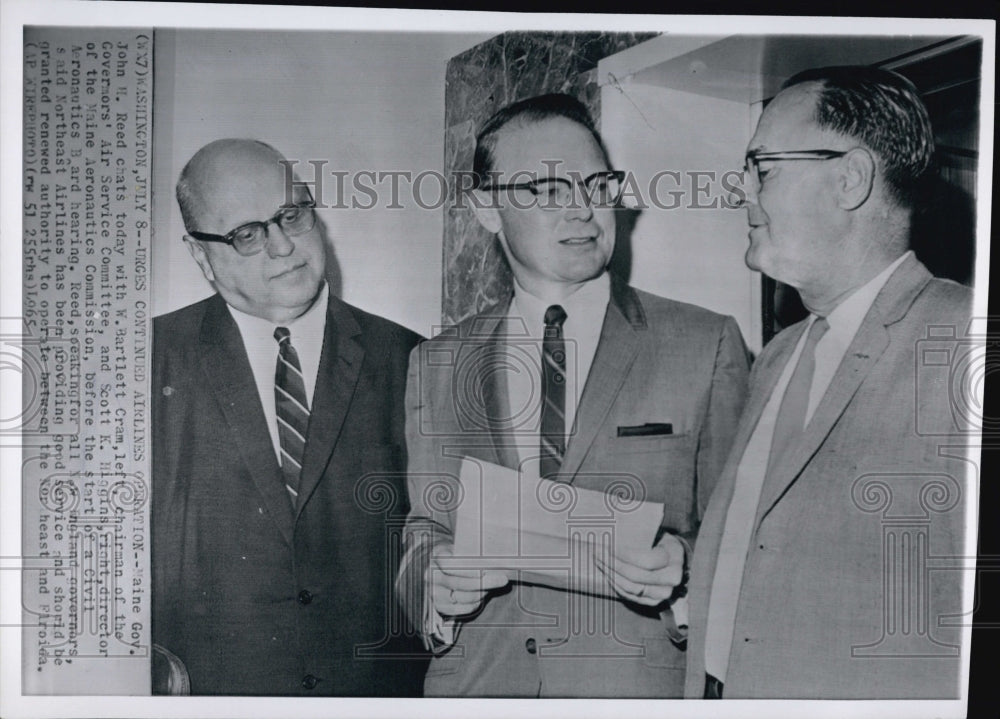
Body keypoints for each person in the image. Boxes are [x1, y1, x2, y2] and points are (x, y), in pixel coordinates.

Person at [397, 94, 750, 697]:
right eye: (549, 190)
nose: (584, 211)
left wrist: (683, 570)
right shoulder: (437, 361)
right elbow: (425, 525)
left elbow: (744, 535)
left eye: (596, 185)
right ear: (487, 209)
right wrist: (432, 582)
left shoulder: (705, 342)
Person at [685, 66, 973, 699]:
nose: (741, 191)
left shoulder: (964, 342)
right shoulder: (779, 355)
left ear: (850, 178)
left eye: (762, 167)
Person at [152, 139, 426, 695]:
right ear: (199, 254)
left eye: (291, 215)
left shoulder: (414, 360)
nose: (283, 246)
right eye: (247, 234)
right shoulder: (143, 361)